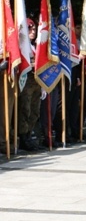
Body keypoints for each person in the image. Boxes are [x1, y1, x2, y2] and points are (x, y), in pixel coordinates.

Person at [17, 18, 40, 151]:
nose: (33, 32)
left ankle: (29, 134)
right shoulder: (23, 47)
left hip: (36, 82)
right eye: (30, 29)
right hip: (26, 82)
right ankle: (23, 137)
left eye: (34, 29)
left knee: (35, 111)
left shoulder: (36, 46)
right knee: (25, 110)